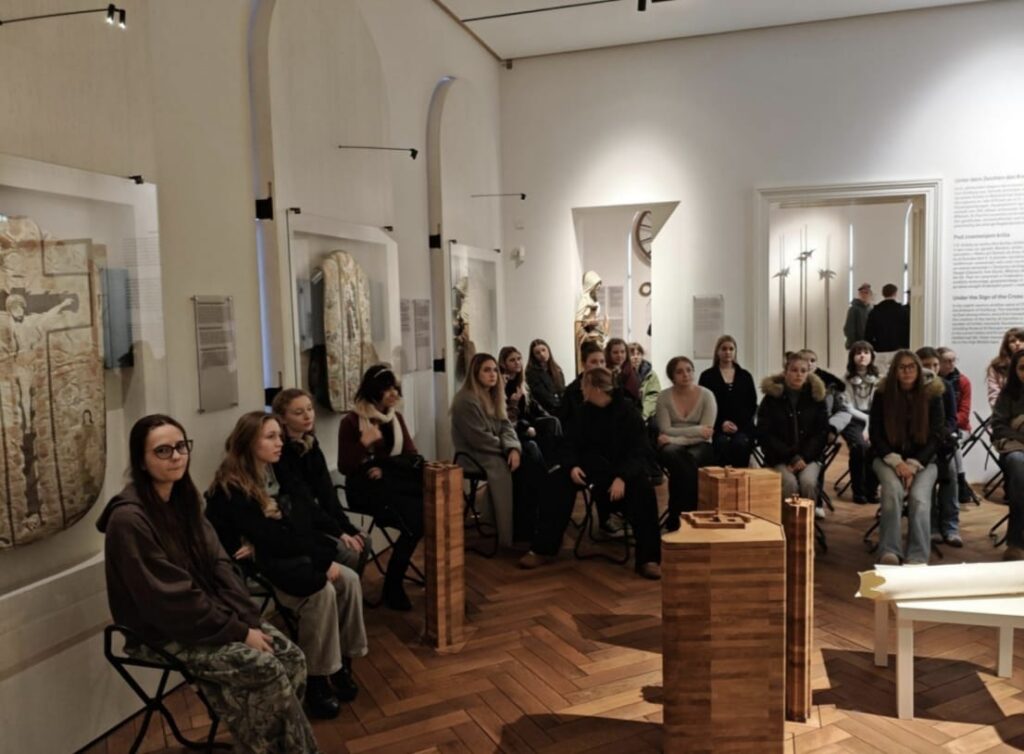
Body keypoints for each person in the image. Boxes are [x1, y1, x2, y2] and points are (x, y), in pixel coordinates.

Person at [97, 415, 320, 753]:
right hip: (162, 631)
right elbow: (170, 599)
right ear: (141, 461)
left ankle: (270, 747)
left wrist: (247, 618)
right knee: (264, 666)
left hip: (211, 616)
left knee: (291, 657)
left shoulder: (184, 500)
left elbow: (220, 566)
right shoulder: (129, 520)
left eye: (181, 446)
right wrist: (239, 631)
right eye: (163, 450)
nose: (176, 456)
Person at [206, 412, 368, 719]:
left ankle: (343, 664)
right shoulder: (231, 487)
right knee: (321, 593)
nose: (279, 443)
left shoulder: (278, 470)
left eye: (279, 436)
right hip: (262, 566)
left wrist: (286, 523)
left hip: (289, 553)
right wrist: (312, 554)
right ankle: (317, 679)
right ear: (249, 442)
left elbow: (303, 516)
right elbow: (270, 538)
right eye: (271, 437)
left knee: (349, 580)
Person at [334, 366, 425, 611]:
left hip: (393, 485)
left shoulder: (396, 418)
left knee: (423, 514)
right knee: (414, 522)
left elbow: (411, 456)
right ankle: (393, 585)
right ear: (374, 391)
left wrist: (385, 468)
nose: (394, 393)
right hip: (364, 491)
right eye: (387, 388)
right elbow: (345, 466)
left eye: (396, 388)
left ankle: (395, 580)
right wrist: (364, 443)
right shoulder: (351, 422)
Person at [565, 367, 662, 579]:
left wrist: (622, 477)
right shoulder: (582, 412)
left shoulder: (628, 412)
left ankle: (648, 558)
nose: (581, 389)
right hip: (592, 471)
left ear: (596, 388)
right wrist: (572, 465)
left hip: (624, 471)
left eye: (585, 385)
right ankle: (542, 548)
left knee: (644, 490)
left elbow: (640, 450)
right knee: (558, 480)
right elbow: (570, 444)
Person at [271, 388, 366, 573]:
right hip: (298, 521)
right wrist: (338, 532)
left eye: (310, 409)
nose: (308, 416)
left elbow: (327, 492)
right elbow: (302, 500)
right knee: (350, 551)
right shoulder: (282, 454)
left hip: (316, 515)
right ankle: (339, 586)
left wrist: (345, 526)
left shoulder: (311, 443)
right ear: (283, 418)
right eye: (298, 412)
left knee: (363, 539)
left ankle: (352, 586)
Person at [870, 350, 946, 565]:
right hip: (888, 459)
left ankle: (918, 555)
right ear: (894, 371)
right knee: (892, 492)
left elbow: (937, 436)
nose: (907, 371)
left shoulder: (933, 394)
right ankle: (890, 550)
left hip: (924, 461)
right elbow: (875, 434)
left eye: (911, 367)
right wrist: (897, 463)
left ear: (918, 369)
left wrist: (913, 465)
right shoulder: (882, 394)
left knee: (919, 499)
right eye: (902, 367)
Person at [451, 353, 524, 547]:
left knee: (528, 456)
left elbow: (506, 426)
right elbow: (479, 438)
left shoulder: (493, 395)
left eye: (494, 370)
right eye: (486, 370)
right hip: (473, 454)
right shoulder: (465, 400)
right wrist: (507, 450)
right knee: (507, 466)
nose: (493, 375)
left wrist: (513, 448)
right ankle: (507, 532)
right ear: (475, 373)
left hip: (494, 450)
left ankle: (523, 522)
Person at [756, 354, 829, 506]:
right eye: (794, 370)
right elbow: (765, 434)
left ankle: (807, 519)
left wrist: (803, 457)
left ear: (808, 374)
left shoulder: (816, 397)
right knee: (789, 484)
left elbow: (821, 433)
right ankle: (788, 520)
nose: (798, 374)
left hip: (809, 457)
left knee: (808, 483)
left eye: (803, 371)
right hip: (779, 457)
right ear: (785, 372)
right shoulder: (771, 398)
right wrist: (791, 456)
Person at [656, 356, 716, 530]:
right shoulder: (664, 397)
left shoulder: (707, 395)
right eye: (679, 372)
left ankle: (677, 516)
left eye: (689, 370)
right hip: (673, 447)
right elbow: (665, 428)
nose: (685, 375)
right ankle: (690, 515)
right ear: (672, 376)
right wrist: (696, 429)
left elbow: (705, 434)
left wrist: (673, 438)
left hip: (700, 445)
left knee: (686, 461)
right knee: (675, 456)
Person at [917, 347, 962, 547]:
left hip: (942, 443)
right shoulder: (912, 387)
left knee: (950, 475)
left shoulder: (945, 385)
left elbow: (952, 418)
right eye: (926, 365)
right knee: (926, 481)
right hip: (921, 445)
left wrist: (944, 433)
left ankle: (951, 526)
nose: (932, 369)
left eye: (935, 365)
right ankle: (932, 526)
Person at [698, 335, 757, 469]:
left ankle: (740, 478)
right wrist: (721, 424)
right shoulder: (707, 376)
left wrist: (738, 425)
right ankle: (722, 480)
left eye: (731, 349)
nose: (728, 352)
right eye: (724, 349)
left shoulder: (745, 376)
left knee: (741, 443)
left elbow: (751, 405)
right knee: (721, 443)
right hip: (716, 426)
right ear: (717, 352)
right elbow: (704, 405)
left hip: (742, 427)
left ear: (735, 351)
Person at [991, 349, 1024, 560]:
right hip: (1015, 449)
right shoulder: (1007, 394)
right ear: (1015, 370)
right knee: (1018, 466)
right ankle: (1015, 541)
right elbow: (998, 427)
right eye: (1022, 368)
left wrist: (1017, 422)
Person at [842, 341, 880, 503]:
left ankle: (872, 489)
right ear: (852, 357)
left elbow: (879, 406)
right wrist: (866, 421)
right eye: (858, 353)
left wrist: (870, 424)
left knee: (877, 446)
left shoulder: (879, 379)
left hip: (874, 418)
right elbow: (848, 407)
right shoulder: (845, 379)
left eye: (866, 352)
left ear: (872, 356)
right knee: (860, 447)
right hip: (853, 419)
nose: (862, 356)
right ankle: (858, 490)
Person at [937, 346, 974, 502]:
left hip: (959, 427)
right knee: (949, 440)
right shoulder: (932, 381)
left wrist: (948, 425)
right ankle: (958, 482)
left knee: (953, 440)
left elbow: (964, 414)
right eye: (947, 361)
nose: (951, 364)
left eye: (954, 360)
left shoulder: (963, 382)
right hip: (937, 428)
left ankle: (959, 480)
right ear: (938, 362)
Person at [864, 283, 910, 372]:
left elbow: (868, 333)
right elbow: (908, 331)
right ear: (895, 293)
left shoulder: (875, 311)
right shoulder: (903, 311)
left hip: (881, 349)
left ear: (883, 294)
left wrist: (873, 347)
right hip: (899, 349)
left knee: (881, 375)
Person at [525, 338, 566, 415]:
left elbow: (562, 390)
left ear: (548, 350)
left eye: (543, 350)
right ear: (534, 356)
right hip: (544, 411)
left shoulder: (557, 370)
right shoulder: (531, 373)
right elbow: (542, 396)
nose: (542, 354)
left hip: (560, 408)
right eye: (537, 353)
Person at [987, 327, 1024, 408]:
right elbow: (994, 395)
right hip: (1005, 411)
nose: (1017, 343)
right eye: (1012, 341)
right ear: (1007, 345)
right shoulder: (997, 366)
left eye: (1022, 340)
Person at [628, 342, 661, 420]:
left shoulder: (651, 374)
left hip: (647, 413)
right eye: (632, 354)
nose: (636, 357)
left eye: (638, 354)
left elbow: (653, 395)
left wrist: (644, 415)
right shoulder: (623, 374)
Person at [605, 337, 641, 405]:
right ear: (609, 354)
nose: (619, 355)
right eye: (615, 352)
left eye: (622, 352)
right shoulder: (604, 372)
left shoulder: (631, 371)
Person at [843, 283, 873, 349]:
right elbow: (849, 329)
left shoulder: (871, 309)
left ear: (870, 295)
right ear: (859, 294)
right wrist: (854, 344)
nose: (864, 295)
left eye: (866, 293)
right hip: (856, 345)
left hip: (868, 345)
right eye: (861, 293)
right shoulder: (854, 309)